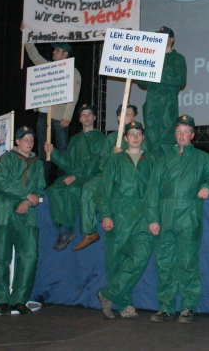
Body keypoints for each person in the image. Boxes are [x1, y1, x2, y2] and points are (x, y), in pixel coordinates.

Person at [146, 115, 209, 323]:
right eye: (178, 132)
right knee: (164, 262)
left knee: (187, 261)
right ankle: (165, 307)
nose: (182, 135)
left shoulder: (202, 158)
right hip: (164, 215)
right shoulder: (162, 159)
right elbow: (152, 190)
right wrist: (153, 218)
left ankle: (189, 306)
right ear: (175, 134)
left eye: (186, 132)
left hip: (189, 215)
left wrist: (208, 186)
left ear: (192, 135)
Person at [97, 121, 155, 319]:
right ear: (125, 138)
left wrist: (154, 217)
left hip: (144, 216)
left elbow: (156, 190)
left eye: (138, 133)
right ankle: (124, 304)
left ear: (143, 137)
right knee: (118, 261)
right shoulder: (115, 160)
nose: (135, 137)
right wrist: (106, 214)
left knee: (140, 257)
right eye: (131, 134)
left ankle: (108, 294)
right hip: (119, 215)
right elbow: (104, 189)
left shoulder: (151, 160)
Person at [0, 126, 46, 315]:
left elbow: (40, 187)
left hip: (27, 214)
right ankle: (1, 299)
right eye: (25, 139)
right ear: (17, 142)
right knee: (1, 257)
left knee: (29, 256)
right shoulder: (6, 159)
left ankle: (20, 299)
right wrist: (25, 195)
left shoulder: (37, 163)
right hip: (4, 212)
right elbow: (1, 183)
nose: (29, 143)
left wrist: (28, 202)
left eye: (32, 140)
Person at [73, 104, 139, 251]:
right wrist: (112, 156)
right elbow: (102, 164)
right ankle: (90, 232)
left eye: (130, 114)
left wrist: (124, 156)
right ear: (118, 118)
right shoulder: (111, 138)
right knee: (88, 187)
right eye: (124, 114)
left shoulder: (139, 136)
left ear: (134, 117)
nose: (127, 117)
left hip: (128, 179)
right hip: (109, 176)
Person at [44, 103, 106, 251]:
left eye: (89, 114)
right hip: (75, 177)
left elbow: (96, 162)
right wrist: (53, 152)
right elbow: (68, 163)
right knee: (54, 189)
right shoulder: (75, 139)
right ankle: (63, 227)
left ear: (94, 117)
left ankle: (70, 230)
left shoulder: (100, 138)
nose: (86, 117)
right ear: (79, 119)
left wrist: (77, 177)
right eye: (83, 115)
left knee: (72, 190)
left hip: (91, 178)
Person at [24, 42, 82, 160]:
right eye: (54, 49)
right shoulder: (48, 66)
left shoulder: (73, 72)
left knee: (62, 150)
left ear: (65, 54)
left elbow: (74, 96)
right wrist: (27, 40)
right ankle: (42, 172)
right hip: (43, 115)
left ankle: (63, 172)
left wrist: (67, 116)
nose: (53, 52)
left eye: (57, 50)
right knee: (42, 150)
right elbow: (35, 57)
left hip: (59, 117)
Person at [139, 26, 186, 149]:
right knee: (150, 140)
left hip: (168, 106)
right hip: (151, 106)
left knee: (167, 141)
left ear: (172, 39)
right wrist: (135, 69)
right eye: (159, 36)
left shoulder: (178, 59)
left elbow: (181, 81)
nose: (162, 38)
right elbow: (142, 83)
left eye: (165, 36)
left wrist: (157, 73)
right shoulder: (150, 57)